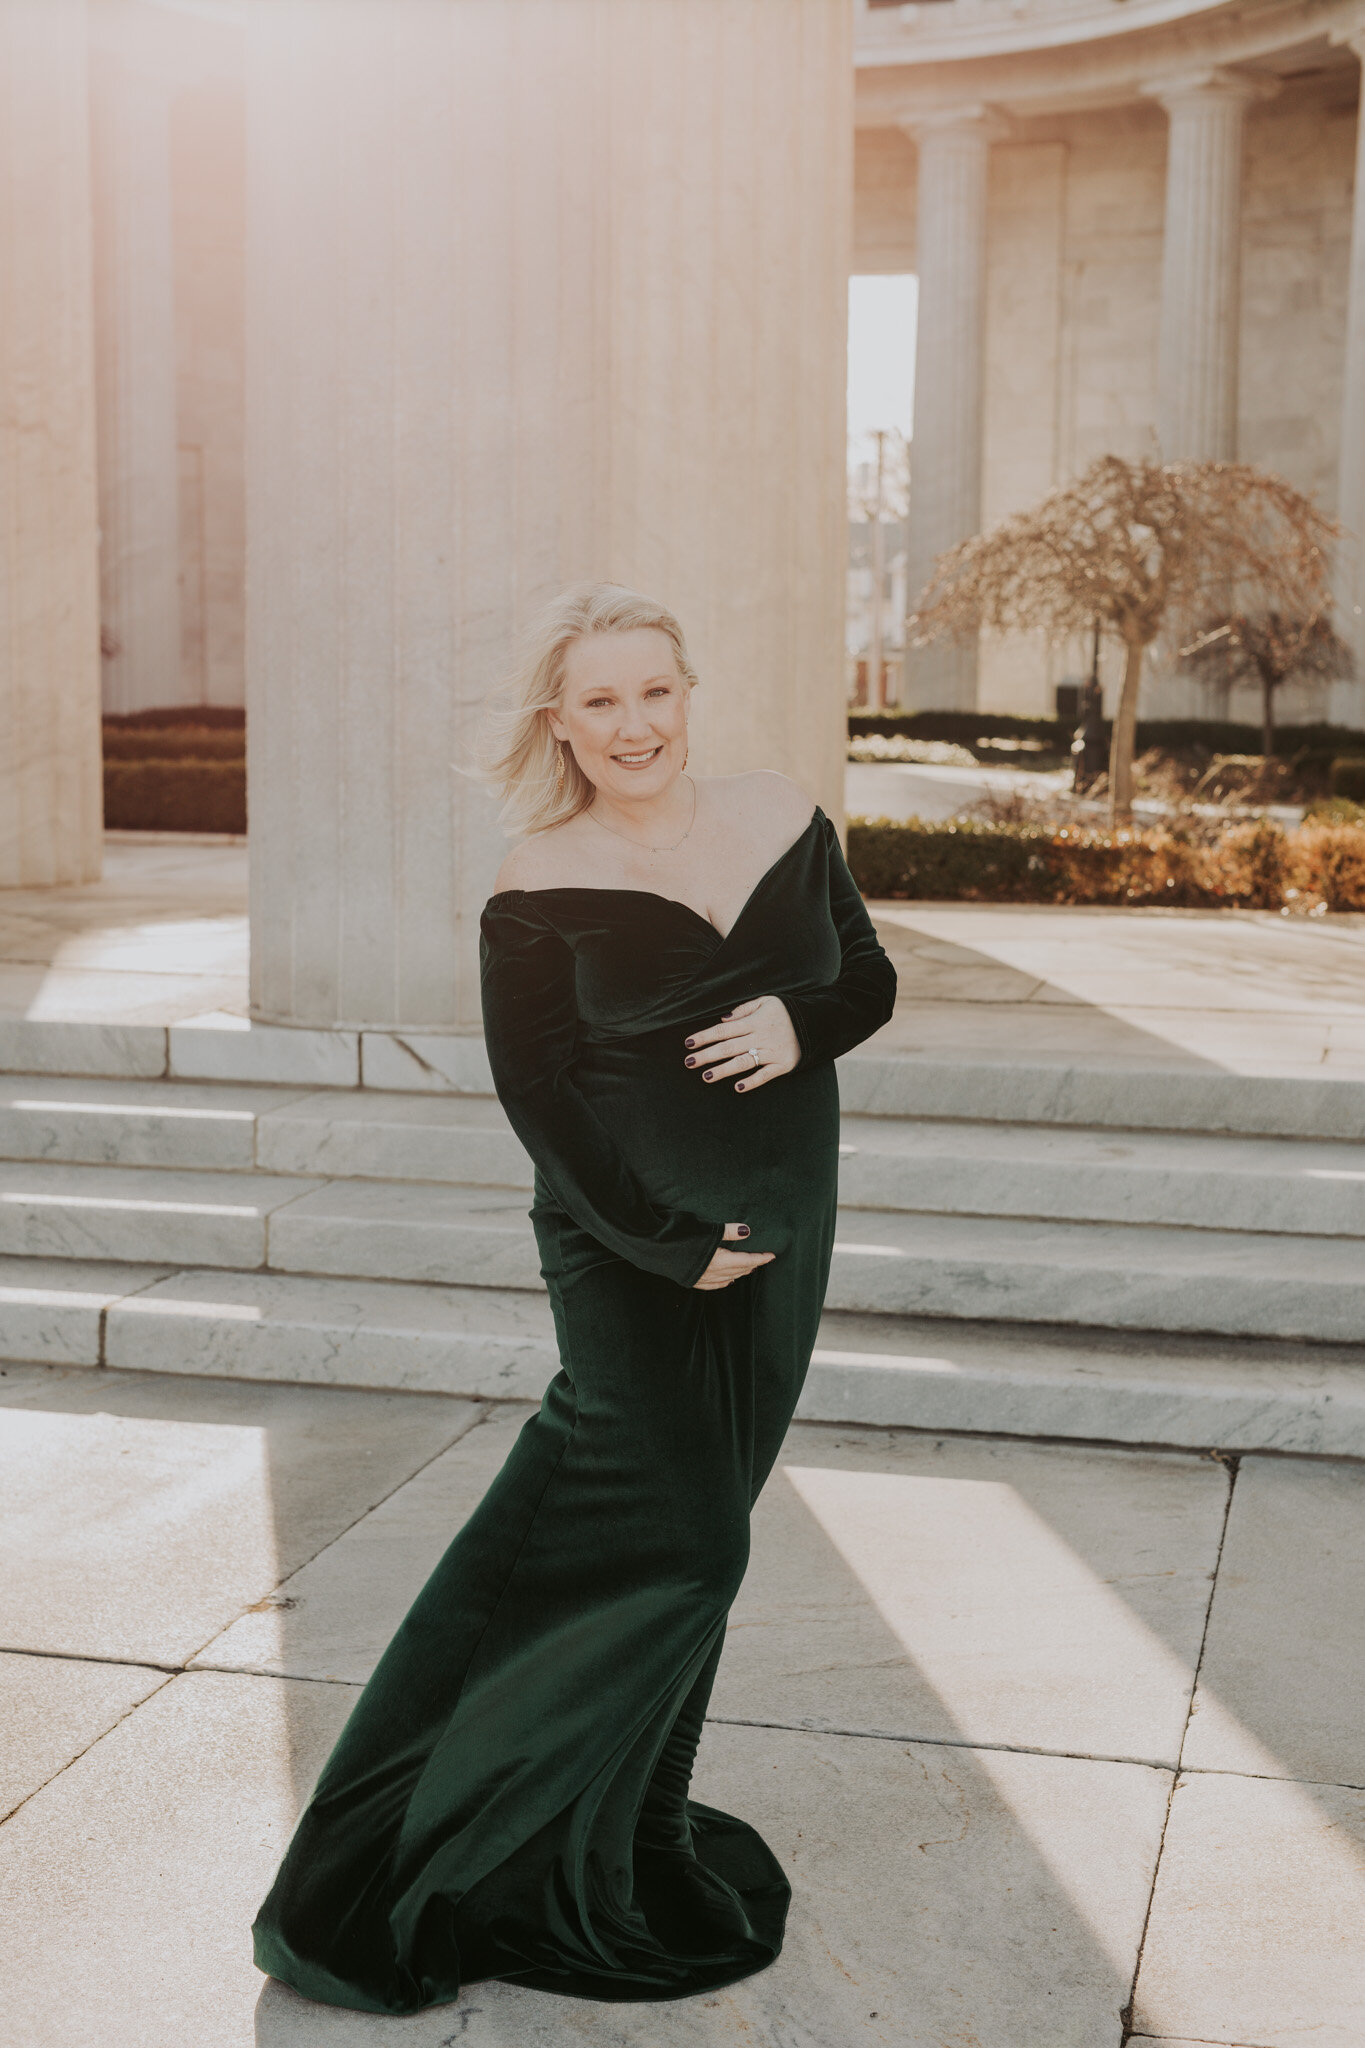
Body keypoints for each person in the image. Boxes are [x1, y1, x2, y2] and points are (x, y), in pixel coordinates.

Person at [252, 583, 897, 2014]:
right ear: (560, 719)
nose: (633, 725)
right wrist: (672, 1242)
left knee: (703, 1539)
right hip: (631, 1248)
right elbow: (540, 1100)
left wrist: (802, 1018)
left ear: (687, 692)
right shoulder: (535, 879)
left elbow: (865, 979)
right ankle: (404, 1850)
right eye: (599, 701)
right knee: (681, 1550)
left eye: (652, 692)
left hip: (785, 1224)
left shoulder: (786, 812)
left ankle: (646, 1831)